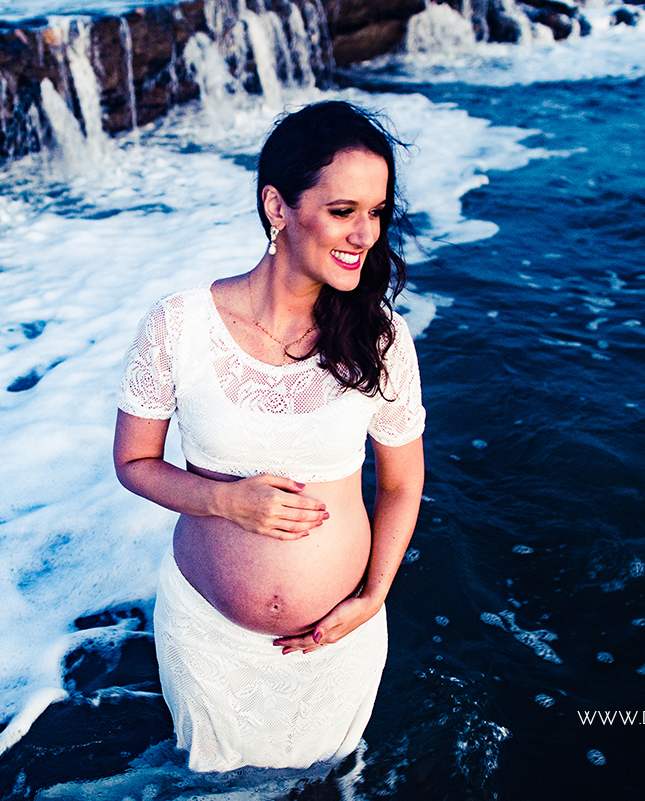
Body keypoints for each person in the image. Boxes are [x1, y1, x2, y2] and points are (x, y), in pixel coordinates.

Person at [113, 101, 425, 773]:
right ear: (277, 207)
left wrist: (374, 596)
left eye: (376, 212)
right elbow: (134, 461)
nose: (365, 234)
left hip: (338, 640)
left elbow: (402, 482)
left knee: (333, 782)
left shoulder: (382, 337)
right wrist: (226, 501)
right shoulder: (179, 323)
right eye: (344, 210)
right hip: (207, 640)